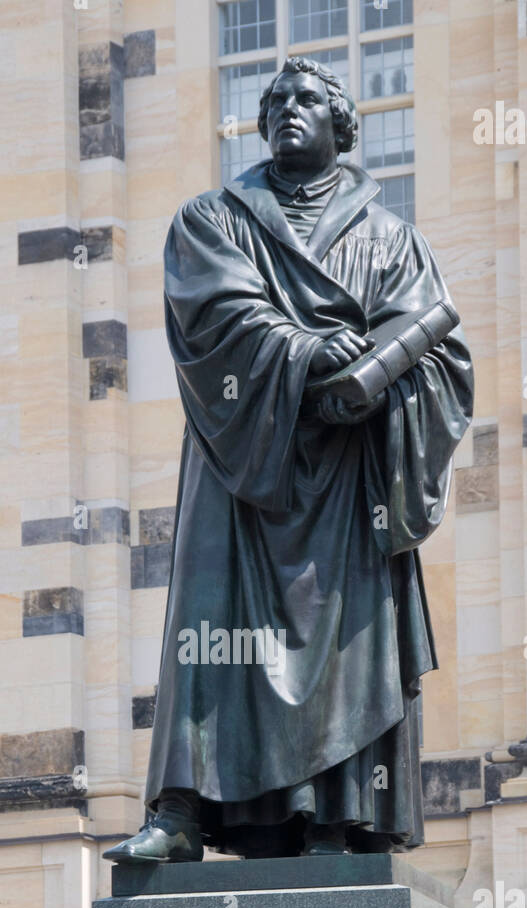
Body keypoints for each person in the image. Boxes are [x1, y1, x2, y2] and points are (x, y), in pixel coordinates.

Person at [105, 57, 473, 864]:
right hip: (241, 459)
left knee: (345, 641)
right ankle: (181, 813)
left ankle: (334, 819)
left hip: (349, 475)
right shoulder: (213, 219)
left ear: (342, 125)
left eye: (307, 99)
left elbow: (446, 361)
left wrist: (379, 386)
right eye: (272, 101)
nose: (286, 110)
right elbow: (212, 317)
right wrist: (307, 353)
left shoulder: (392, 240)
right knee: (207, 628)